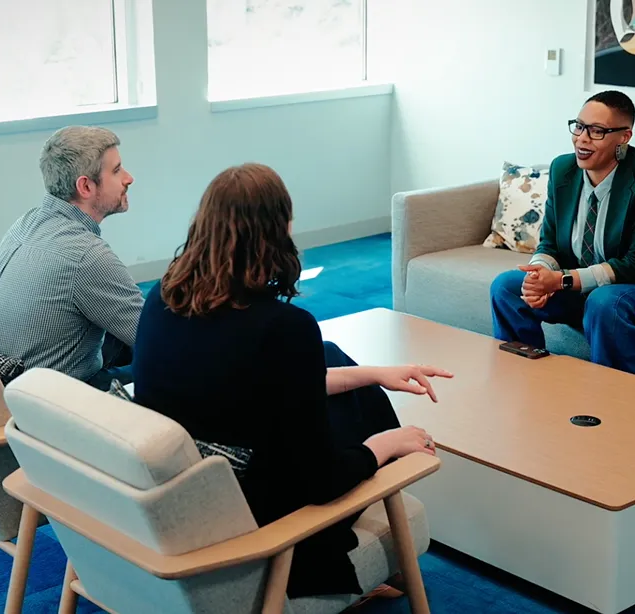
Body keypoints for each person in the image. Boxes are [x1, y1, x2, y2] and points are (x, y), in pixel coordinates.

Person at [130, 163, 453, 599]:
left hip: (194, 483)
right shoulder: (285, 327)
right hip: (258, 514)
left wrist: (375, 373)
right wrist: (391, 443)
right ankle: (381, 539)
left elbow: (266, 384)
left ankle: (382, 539)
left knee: (344, 371)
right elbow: (319, 483)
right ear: (277, 230)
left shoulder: (164, 294)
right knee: (369, 422)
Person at [490, 91, 635, 374]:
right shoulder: (563, 169)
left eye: (597, 131)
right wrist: (537, 275)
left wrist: (559, 281)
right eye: (579, 126)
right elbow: (550, 243)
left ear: (624, 137)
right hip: (583, 284)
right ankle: (525, 380)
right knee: (507, 286)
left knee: (605, 301)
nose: (582, 138)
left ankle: (608, 400)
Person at [0, 126, 144, 389]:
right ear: (85, 186)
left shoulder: (27, 222)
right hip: (57, 400)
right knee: (174, 365)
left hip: (10, 381)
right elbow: (153, 338)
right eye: (116, 170)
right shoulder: (86, 257)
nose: (129, 178)